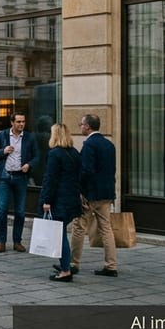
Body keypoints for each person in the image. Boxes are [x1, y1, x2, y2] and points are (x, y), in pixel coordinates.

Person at [68, 113, 119, 277]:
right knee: (106, 229)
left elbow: (86, 170)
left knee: (78, 227)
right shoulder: (109, 144)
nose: (80, 127)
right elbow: (112, 170)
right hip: (106, 193)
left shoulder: (89, 145)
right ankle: (111, 266)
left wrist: (80, 190)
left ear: (88, 126)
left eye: (81, 124)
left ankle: (73, 263)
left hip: (90, 194)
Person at [0, 113, 38, 252]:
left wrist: (29, 165)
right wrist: (3, 151)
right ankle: (1, 241)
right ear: (12, 122)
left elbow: (36, 156)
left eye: (23, 122)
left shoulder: (29, 137)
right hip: (4, 177)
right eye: (18, 122)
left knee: (20, 212)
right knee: (2, 210)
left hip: (20, 177)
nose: (21, 124)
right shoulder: (2, 135)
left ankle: (17, 241)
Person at [39, 123, 82, 282]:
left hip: (59, 200)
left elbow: (51, 179)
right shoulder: (74, 153)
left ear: (54, 135)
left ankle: (65, 270)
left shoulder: (55, 154)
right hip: (72, 199)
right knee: (61, 232)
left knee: (60, 234)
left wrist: (46, 201)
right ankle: (65, 265)